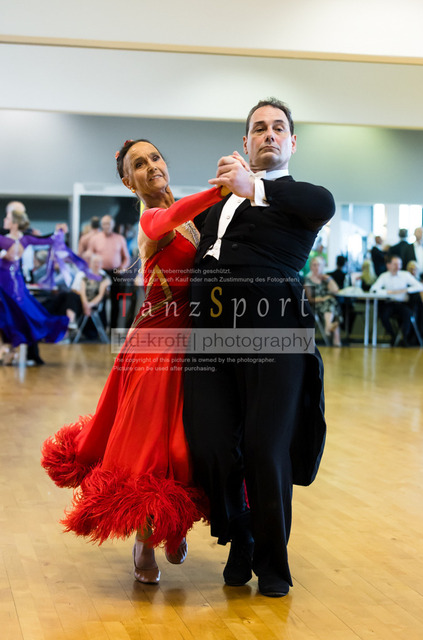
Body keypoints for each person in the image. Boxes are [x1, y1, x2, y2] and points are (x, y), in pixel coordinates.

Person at [41, 138, 228, 585]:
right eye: (139, 164)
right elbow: (166, 218)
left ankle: (173, 522)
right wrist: (219, 190)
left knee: (185, 440)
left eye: (155, 158)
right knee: (148, 445)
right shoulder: (152, 220)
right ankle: (144, 541)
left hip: (191, 344)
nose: (151, 166)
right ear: (129, 182)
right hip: (154, 346)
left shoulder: (190, 220)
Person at [183, 98, 335, 597]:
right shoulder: (216, 205)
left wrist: (255, 187)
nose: (269, 134)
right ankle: (240, 533)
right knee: (208, 442)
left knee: (265, 448)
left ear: (292, 142)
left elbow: (323, 205)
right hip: (209, 337)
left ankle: (273, 562)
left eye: (279, 128)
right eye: (259, 128)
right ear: (245, 142)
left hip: (276, 333)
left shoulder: (301, 198)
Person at [0, 205, 69, 365]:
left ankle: (10, 349)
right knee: (18, 315)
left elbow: (46, 240)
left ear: (14, 223)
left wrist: (58, 232)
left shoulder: (5, 240)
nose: (4, 220)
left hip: (7, 285)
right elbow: (47, 239)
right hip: (15, 284)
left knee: (13, 315)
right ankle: (9, 349)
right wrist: (58, 232)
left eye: (7, 218)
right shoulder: (25, 240)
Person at [86, 215, 130, 329]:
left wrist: (123, 268)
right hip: (100, 273)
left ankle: (113, 328)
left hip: (115, 272)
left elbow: (126, 258)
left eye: (108, 224)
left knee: (115, 301)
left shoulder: (120, 238)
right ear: (101, 225)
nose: (106, 226)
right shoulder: (95, 239)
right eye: (104, 224)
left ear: (113, 225)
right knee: (100, 300)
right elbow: (89, 255)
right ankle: (100, 328)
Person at [370, 255, 423, 345]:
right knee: (383, 315)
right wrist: (388, 292)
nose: (398, 266)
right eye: (395, 264)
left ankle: (404, 337)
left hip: (402, 304)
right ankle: (393, 336)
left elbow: (420, 286)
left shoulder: (405, 275)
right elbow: (373, 290)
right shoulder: (384, 276)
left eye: (399, 264)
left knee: (408, 314)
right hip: (389, 303)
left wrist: (406, 290)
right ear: (389, 265)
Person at [305, 256, 342, 346]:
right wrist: (324, 299)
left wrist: (329, 279)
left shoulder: (326, 279)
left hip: (329, 305)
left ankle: (328, 327)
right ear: (311, 267)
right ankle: (333, 334)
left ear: (322, 267)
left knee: (331, 304)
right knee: (332, 305)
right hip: (316, 306)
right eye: (314, 265)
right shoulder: (308, 280)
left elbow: (336, 290)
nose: (317, 267)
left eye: (319, 265)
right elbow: (309, 299)